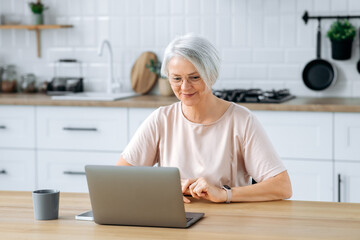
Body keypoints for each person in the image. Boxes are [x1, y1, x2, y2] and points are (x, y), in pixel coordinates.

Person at [117, 34, 292, 203]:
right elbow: (119, 177)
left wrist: (224, 194)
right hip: (177, 220)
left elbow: (282, 186)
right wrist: (165, 186)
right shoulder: (161, 119)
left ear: (212, 75)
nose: (185, 87)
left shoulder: (242, 120)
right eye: (176, 79)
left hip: (230, 222)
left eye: (194, 77)